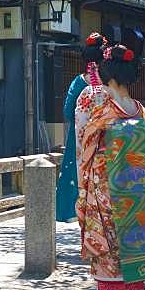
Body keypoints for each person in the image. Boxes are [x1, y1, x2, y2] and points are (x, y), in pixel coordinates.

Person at [75, 43, 145, 290]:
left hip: (107, 181)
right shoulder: (139, 110)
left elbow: (85, 146)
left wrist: (83, 187)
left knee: (108, 238)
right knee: (135, 236)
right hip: (138, 183)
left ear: (107, 77)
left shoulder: (100, 108)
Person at [56, 33, 106, 221]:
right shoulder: (110, 85)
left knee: (75, 170)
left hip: (79, 137)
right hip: (104, 138)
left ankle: (71, 211)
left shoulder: (78, 83)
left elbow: (68, 112)